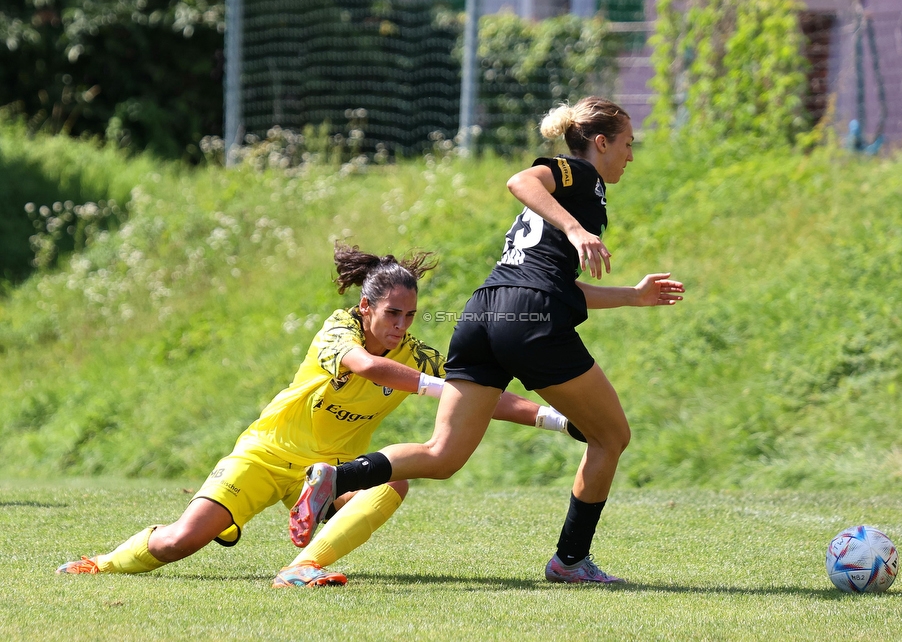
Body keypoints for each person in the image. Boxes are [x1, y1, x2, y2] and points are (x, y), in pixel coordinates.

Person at [288, 97, 685, 584]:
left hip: (485, 311)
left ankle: (337, 476)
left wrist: (632, 296)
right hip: (528, 317)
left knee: (442, 455)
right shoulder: (582, 175)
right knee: (612, 437)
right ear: (600, 143)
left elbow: (554, 283)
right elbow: (520, 181)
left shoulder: (576, 196)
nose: (630, 154)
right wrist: (578, 228)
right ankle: (570, 561)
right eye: (627, 144)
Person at [56, 243, 581, 587]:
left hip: (328, 470)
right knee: (178, 543)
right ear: (365, 308)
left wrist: (560, 420)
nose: (401, 325)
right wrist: (433, 386)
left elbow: (481, 396)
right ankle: (100, 563)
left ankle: (303, 567)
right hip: (267, 455)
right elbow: (368, 367)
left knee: (391, 485)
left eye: (410, 316)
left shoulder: (417, 353)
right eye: (392, 313)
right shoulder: (339, 329)